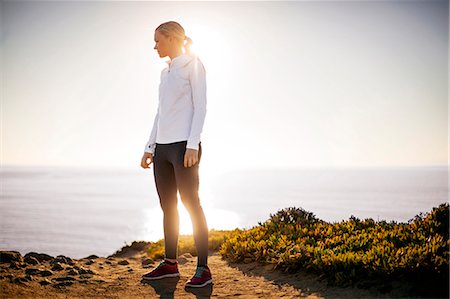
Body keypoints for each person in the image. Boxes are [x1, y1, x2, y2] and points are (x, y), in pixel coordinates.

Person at [140, 21, 212, 288]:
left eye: (158, 40)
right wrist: (150, 147)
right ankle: (170, 264)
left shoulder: (193, 65)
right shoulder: (165, 73)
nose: (155, 46)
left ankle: (203, 269)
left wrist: (193, 145)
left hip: (184, 148)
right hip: (162, 149)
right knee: (167, 207)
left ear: (172, 39)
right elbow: (160, 113)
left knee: (192, 205)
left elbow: (201, 107)